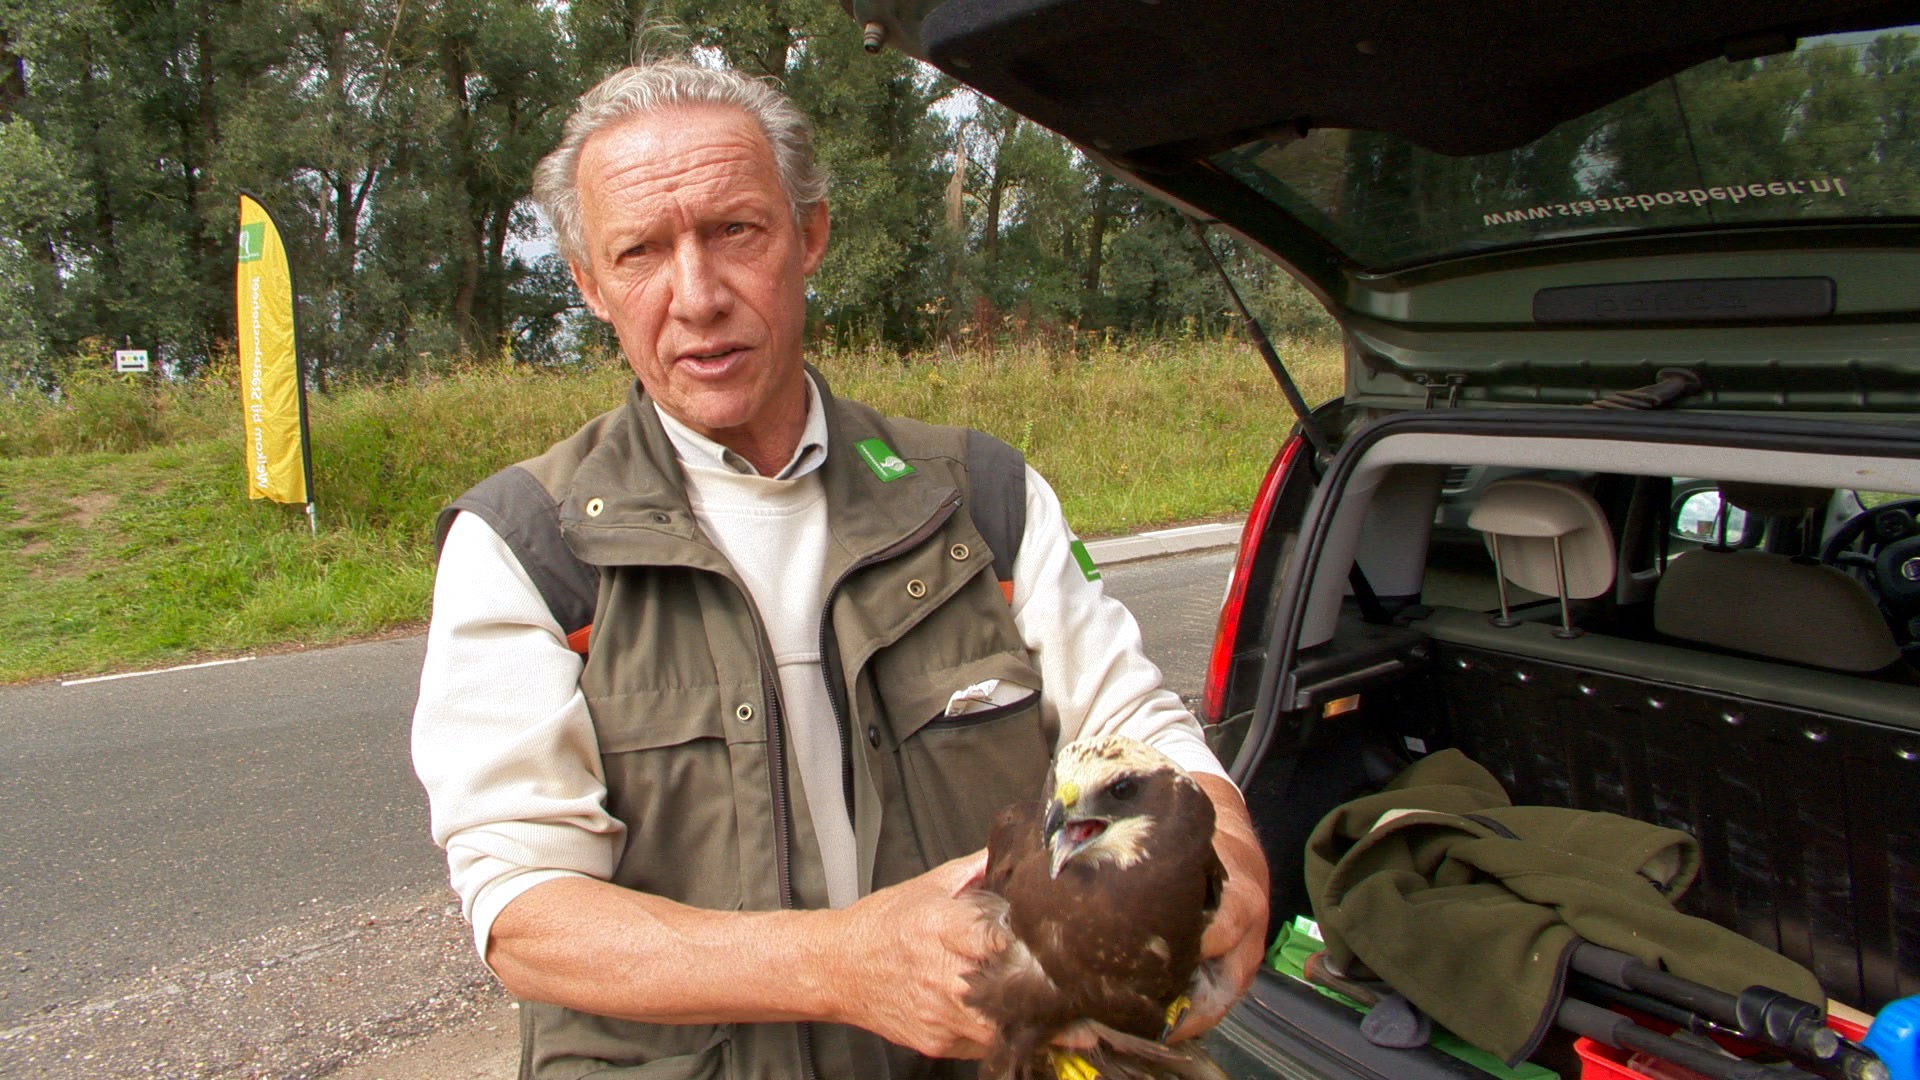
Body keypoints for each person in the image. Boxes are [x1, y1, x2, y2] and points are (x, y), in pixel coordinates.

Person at [411, 59, 1269, 1079]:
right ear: (593, 286)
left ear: (809, 235)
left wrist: (1239, 861)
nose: (697, 296)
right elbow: (526, 916)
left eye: (736, 230)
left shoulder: (979, 496)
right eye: (641, 251)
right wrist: (842, 964)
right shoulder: (527, 547)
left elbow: (1135, 734)